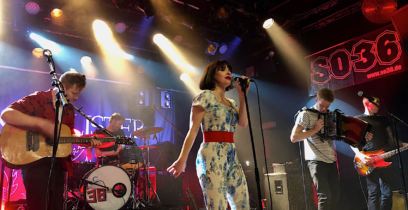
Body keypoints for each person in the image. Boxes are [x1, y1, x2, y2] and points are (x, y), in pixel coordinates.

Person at [0, 70, 100, 210]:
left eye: (79, 94)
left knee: (56, 206)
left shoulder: (69, 109)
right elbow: (6, 114)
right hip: (34, 161)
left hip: (58, 165)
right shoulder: (39, 98)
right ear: (61, 87)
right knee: (38, 205)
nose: (77, 98)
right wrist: (40, 124)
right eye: (74, 93)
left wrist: (84, 141)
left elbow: (65, 136)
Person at [167, 60, 250, 209]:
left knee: (242, 202)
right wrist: (182, 160)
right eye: (222, 69)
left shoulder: (231, 102)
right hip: (211, 154)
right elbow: (192, 130)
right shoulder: (204, 96)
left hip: (231, 155)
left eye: (229, 70)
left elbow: (243, 123)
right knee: (217, 205)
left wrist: (242, 95)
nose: (228, 72)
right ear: (212, 75)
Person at [290, 88, 340, 210]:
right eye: (322, 105)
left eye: (327, 106)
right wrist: (314, 130)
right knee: (325, 196)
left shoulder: (330, 114)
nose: (324, 109)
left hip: (331, 160)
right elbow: (294, 137)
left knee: (335, 196)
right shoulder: (305, 114)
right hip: (316, 161)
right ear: (316, 99)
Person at [351, 95, 404, 210]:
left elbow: (392, 139)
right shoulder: (358, 119)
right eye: (376, 103)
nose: (378, 106)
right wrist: (360, 155)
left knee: (387, 193)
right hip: (368, 160)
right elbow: (352, 141)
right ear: (367, 104)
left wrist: (403, 144)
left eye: (379, 103)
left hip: (385, 158)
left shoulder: (384, 119)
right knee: (373, 193)